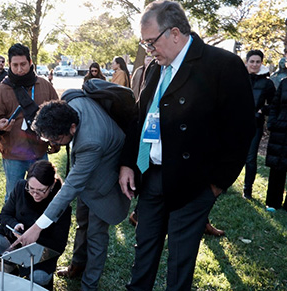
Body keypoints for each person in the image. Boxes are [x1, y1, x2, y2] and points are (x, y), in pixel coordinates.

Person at [118, 1, 254, 290]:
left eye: (151, 42)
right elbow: (140, 118)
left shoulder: (222, 65)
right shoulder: (154, 68)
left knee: (180, 263)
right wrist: (129, 162)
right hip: (152, 175)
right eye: (144, 43)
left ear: (175, 33)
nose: (149, 49)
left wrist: (215, 185)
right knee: (143, 252)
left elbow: (241, 132)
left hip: (194, 183)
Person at [12, 99, 131, 291]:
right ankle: (77, 266)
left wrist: (37, 227)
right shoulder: (72, 102)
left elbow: (69, 189)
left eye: (55, 140)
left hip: (105, 182)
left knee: (96, 236)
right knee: (82, 223)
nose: (52, 144)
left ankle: (89, 285)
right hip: (87, 174)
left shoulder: (91, 143)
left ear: (72, 128)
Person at [0, 160, 70, 290]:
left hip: (40, 253)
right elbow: (4, 215)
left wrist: (34, 240)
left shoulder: (61, 204)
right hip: (13, 239)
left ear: (52, 185)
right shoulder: (21, 187)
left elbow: (59, 245)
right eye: (31, 188)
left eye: (41, 190)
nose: (34, 194)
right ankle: (11, 272)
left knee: (40, 277)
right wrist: (14, 225)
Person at [0, 43, 59, 202]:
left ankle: (39, 227)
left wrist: (55, 141)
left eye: (23, 64)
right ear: (9, 65)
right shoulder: (1, 90)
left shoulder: (45, 85)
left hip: (40, 151)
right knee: (13, 197)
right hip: (13, 153)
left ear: (30, 62)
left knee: (43, 195)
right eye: (15, 65)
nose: (19, 69)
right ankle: (12, 226)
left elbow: (57, 115)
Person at [243, 50, 275, 199]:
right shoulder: (238, 78)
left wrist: (263, 110)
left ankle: (247, 190)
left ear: (261, 63)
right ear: (247, 62)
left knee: (250, 158)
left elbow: (274, 104)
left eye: (258, 62)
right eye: (252, 61)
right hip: (236, 124)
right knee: (231, 155)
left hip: (255, 124)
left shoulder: (267, 83)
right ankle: (223, 186)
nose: (255, 64)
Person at [265, 77, 287, 212]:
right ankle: (273, 202)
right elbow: (274, 105)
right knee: (277, 167)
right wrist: (272, 122)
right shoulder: (284, 83)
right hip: (280, 129)